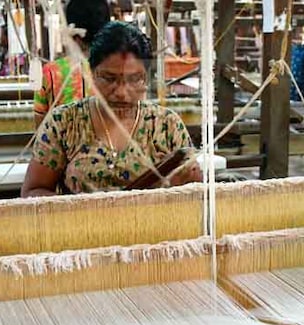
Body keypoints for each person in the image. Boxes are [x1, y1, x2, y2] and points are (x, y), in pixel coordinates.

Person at [21, 22, 200, 197]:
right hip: (81, 226)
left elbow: (198, 195)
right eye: (108, 78)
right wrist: (86, 214)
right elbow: (33, 191)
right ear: (91, 74)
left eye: (134, 79)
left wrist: (177, 189)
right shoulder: (64, 123)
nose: (121, 92)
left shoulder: (166, 126)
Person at [32, 0, 111, 127]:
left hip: (63, 145)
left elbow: (41, 128)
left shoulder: (51, 73)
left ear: (73, 32)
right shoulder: (121, 70)